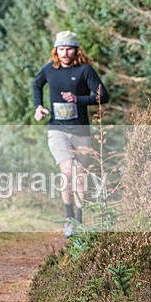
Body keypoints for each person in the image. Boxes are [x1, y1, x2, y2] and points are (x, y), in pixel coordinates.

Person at [32, 30, 108, 238]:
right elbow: (36, 84)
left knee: (79, 177)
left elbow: (103, 96)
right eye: (61, 49)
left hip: (81, 130)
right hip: (57, 130)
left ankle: (80, 219)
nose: (65, 53)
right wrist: (38, 107)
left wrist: (79, 99)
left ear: (76, 50)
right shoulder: (49, 69)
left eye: (69, 49)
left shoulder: (85, 70)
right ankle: (69, 220)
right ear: (56, 50)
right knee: (66, 172)